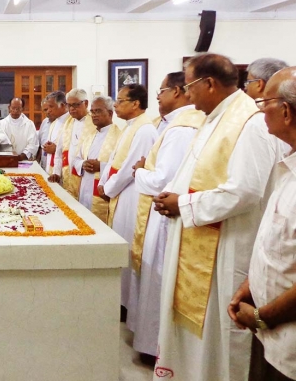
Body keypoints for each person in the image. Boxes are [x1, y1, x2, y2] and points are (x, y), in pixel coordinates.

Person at [152, 54, 279, 381]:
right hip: (198, 235)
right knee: (195, 334)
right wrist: (174, 199)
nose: (187, 94)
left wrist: (185, 204)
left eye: (190, 86)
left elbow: (245, 191)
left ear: (209, 83)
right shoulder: (212, 118)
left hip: (226, 246)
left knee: (218, 336)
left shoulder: (250, 122)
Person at [126, 72, 204, 365]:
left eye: (161, 90)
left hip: (166, 214)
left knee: (159, 279)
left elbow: (164, 180)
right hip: (163, 211)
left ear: (177, 91)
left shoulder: (182, 128)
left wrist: (139, 172)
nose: (157, 96)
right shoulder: (177, 123)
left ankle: (155, 347)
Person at [228, 67, 296, 381]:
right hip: (271, 335)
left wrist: (262, 316)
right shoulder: (288, 166)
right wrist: (251, 286)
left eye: (263, 102)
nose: (260, 110)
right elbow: (278, 244)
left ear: (285, 111)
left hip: (287, 341)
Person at [98, 84, 157, 318]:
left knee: (128, 245)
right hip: (121, 193)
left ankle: (128, 305)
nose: (116, 105)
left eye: (120, 101)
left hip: (132, 195)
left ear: (135, 104)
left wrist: (109, 188)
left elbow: (129, 167)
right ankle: (120, 299)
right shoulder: (130, 127)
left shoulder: (144, 130)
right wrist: (105, 183)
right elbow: (114, 159)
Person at [73, 96, 121, 222]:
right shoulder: (90, 136)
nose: (94, 115)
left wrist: (101, 166)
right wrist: (83, 164)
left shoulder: (119, 137)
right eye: (92, 111)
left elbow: (122, 167)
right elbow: (76, 159)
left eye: (98, 111)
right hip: (85, 188)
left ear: (110, 113)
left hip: (101, 192)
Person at [49, 89, 95, 198]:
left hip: (85, 176)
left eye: (75, 105)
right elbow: (59, 152)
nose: (71, 109)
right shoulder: (67, 123)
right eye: (69, 105)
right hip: (67, 174)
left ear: (86, 103)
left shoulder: (94, 123)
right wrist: (56, 172)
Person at [42, 91, 70, 173]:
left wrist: (56, 149)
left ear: (62, 105)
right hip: (50, 167)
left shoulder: (72, 122)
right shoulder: (54, 123)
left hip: (64, 170)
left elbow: (76, 148)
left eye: (51, 107)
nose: (48, 111)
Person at [37, 100, 52, 170]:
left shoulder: (64, 123)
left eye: (47, 109)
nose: (47, 112)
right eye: (44, 110)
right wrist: (37, 162)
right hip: (44, 164)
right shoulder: (45, 122)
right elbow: (40, 146)